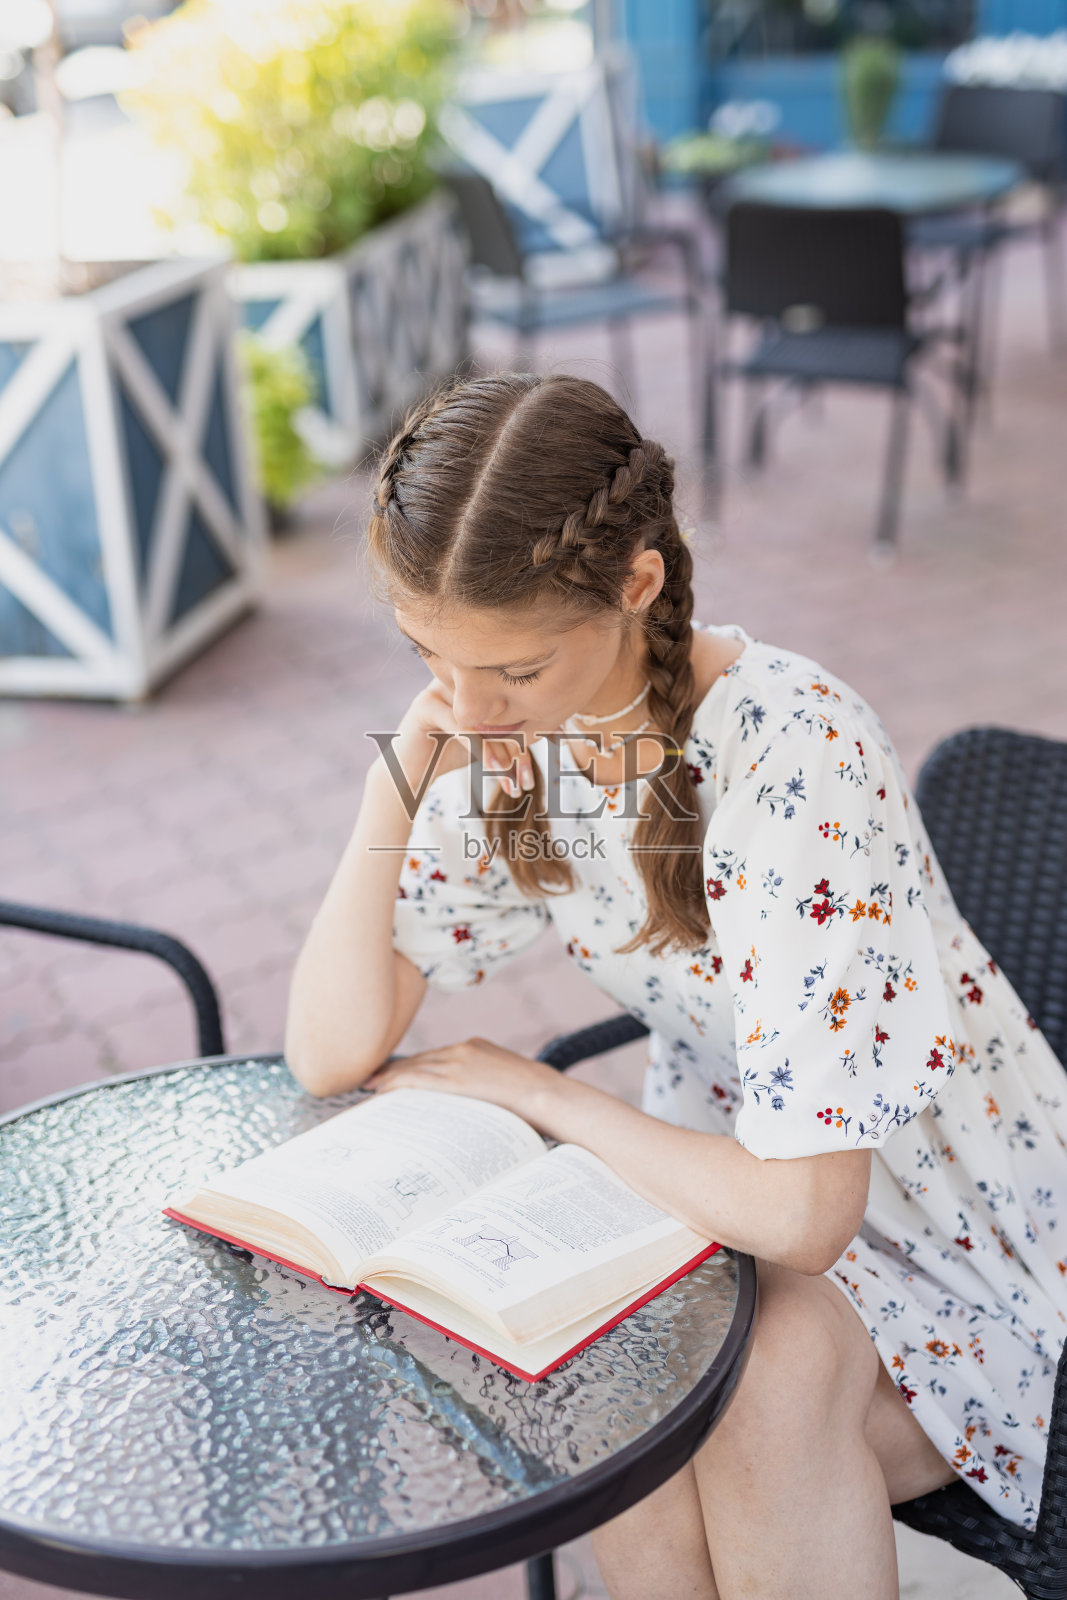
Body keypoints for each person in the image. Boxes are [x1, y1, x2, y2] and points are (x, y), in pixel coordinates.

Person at [285, 371, 1067, 1600]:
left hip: (947, 1235)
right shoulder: (507, 739)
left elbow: (810, 1213)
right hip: (723, 1206)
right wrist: (398, 773)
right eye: (427, 653)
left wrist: (553, 1102)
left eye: (516, 668)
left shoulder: (793, 760)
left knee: (739, 1394)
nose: (471, 706)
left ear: (636, 583)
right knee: (645, 1381)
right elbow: (329, 1047)